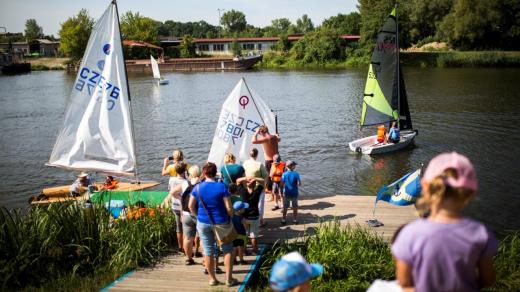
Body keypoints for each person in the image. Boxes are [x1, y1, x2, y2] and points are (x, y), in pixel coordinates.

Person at [392, 152, 498, 292]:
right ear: (470, 193)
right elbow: (488, 280)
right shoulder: (481, 233)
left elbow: (404, 282)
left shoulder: (409, 234)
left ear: (424, 186)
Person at [188, 162, 237, 287]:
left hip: (203, 222)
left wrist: (197, 216)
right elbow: (229, 208)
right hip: (222, 222)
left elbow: (190, 206)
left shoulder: (197, 188)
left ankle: (212, 279)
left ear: (204, 173)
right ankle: (229, 279)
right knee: (227, 249)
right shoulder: (221, 187)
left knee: (208, 251)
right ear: (215, 173)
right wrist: (231, 216)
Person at [161, 162, 188, 253]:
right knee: (185, 227)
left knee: (178, 227)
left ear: (175, 171)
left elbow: (170, 191)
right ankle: (186, 247)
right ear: (184, 171)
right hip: (183, 207)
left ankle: (180, 247)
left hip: (174, 205)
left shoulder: (171, 180)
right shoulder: (185, 182)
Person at [236, 175, 265, 255]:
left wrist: (246, 178)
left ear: (246, 184)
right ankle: (255, 251)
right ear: (255, 184)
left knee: (245, 234)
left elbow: (238, 180)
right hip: (254, 217)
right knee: (253, 236)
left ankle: (244, 251)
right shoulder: (257, 192)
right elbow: (263, 181)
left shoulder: (242, 191)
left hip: (245, 217)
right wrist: (255, 178)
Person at [252, 125, 281, 199]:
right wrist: (278, 136)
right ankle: (278, 194)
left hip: (269, 161)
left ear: (262, 132)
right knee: (277, 176)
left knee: (269, 178)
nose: (259, 134)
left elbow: (253, 141)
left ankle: (272, 196)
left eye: (259, 133)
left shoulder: (265, 139)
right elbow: (279, 139)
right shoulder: (274, 137)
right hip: (277, 159)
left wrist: (255, 133)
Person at [242, 148, 268, 227]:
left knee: (248, 203)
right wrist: (265, 186)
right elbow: (265, 176)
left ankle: (248, 219)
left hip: (247, 187)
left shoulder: (245, 163)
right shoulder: (259, 164)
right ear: (257, 155)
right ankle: (260, 221)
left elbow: (243, 175)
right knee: (260, 204)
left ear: (249, 155)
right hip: (258, 187)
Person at [180, 165, 200, 265]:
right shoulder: (202, 184)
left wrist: (181, 212)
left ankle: (188, 258)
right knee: (202, 236)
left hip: (186, 214)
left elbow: (179, 196)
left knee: (187, 238)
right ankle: (205, 259)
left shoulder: (184, 183)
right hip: (198, 214)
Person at [281, 161, 301, 225]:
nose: (295, 166)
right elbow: (299, 184)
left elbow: (282, 184)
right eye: (294, 165)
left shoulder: (284, 174)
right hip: (294, 193)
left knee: (285, 207)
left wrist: (281, 192)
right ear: (292, 166)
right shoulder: (296, 174)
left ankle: (283, 219)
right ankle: (295, 219)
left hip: (286, 192)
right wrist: (297, 183)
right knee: (295, 206)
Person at [231, 200, 249, 265]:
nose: (244, 209)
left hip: (234, 235)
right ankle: (241, 260)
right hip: (241, 235)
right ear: (239, 210)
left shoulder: (231, 217)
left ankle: (234, 260)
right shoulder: (242, 218)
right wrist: (247, 233)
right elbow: (246, 226)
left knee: (234, 248)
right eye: (243, 208)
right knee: (241, 248)